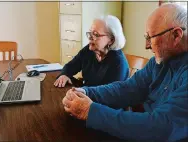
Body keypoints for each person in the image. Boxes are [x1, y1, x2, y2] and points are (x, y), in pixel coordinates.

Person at [62, 3, 188, 141]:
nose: (146, 46)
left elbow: (160, 128)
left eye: (150, 38)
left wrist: (89, 111)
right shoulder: (159, 62)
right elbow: (127, 88)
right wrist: (86, 92)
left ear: (176, 35)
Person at [54, 15, 129, 88]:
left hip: (101, 99)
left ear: (111, 40)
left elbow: (107, 95)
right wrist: (64, 75)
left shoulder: (118, 62)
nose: (90, 37)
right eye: (90, 33)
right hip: (87, 95)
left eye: (96, 34)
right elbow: (71, 66)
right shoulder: (89, 50)